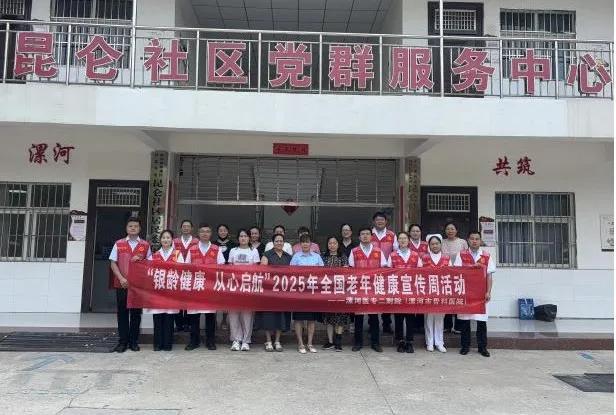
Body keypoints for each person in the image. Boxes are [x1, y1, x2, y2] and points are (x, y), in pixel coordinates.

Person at [108, 217, 151, 353]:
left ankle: (133, 342)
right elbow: (113, 263)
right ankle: (122, 342)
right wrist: (121, 278)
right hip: (122, 284)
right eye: (130, 226)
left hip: (138, 286)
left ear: (140, 228)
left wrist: (142, 260)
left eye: (136, 226)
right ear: (126, 228)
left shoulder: (145, 245)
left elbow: (150, 265)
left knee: (136, 314)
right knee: (122, 313)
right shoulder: (119, 244)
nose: (133, 228)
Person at [184, 223, 226, 351]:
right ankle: (194, 341)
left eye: (207, 231)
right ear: (198, 233)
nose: (205, 234)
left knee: (210, 316)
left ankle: (210, 341)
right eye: (202, 231)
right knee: (194, 316)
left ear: (211, 234)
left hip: (210, 288)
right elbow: (186, 267)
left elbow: (222, 267)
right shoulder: (192, 249)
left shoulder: (216, 249)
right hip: (195, 287)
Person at [454, 230, 495, 358]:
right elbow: (457, 272)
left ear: (480, 241)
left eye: (477, 239)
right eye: (472, 238)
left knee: (481, 321)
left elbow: (489, 275)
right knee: (465, 321)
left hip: (481, 293)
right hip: (466, 292)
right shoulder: (461, 254)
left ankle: (482, 347)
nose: (474, 241)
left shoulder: (486, 256)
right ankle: (465, 346)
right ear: (468, 240)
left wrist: (488, 291)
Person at [349, 227, 388, 352]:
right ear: (359, 237)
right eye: (362, 234)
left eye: (367, 234)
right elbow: (350, 269)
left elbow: (384, 269)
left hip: (374, 288)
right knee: (359, 318)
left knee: (374, 317)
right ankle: (358, 342)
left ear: (371, 236)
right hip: (359, 288)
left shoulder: (378, 251)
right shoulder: (354, 251)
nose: (365, 236)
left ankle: (375, 343)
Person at [255, 233, 293, 352]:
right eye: (277, 241)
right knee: (268, 316)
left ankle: (277, 341)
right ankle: (268, 341)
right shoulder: (267, 255)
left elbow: (293, 273)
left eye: (281, 241)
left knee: (281, 316)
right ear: (273, 243)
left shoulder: (288, 256)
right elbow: (262, 271)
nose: (279, 243)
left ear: (284, 243)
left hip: (283, 292)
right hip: (269, 292)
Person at [146, 229, 181, 351]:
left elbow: (182, 271)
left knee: (169, 318)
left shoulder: (177, 254)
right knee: (158, 317)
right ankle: (157, 344)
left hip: (171, 291)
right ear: (160, 240)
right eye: (163, 238)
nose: (166, 240)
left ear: (172, 240)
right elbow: (149, 272)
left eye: (168, 237)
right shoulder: (154, 255)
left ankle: (167, 344)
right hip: (158, 292)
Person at [227, 229, 261, 351]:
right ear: (238, 238)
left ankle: (246, 340)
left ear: (249, 238)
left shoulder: (254, 251)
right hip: (234, 286)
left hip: (248, 286)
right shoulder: (233, 251)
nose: (243, 238)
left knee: (247, 315)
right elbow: (229, 269)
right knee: (234, 314)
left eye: (245, 236)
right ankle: (236, 340)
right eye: (241, 236)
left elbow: (256, 270)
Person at [290, 233, 324, 354]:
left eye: (307, 242)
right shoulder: (296, 257)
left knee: (311, 319)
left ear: (311, 244)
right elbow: (291, 273)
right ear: (300, 244)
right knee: (298, 319)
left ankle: (310, 343)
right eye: (303, 242)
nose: (305, 244)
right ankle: (300, 343)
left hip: (312, 292)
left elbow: (323, 273)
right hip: (299, 292)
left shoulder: (317, 257)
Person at [390, 231, 423, 354]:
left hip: (411, 290)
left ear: (409, 241)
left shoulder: (415, 255)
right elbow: (388, 271)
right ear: (397, 241)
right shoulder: (393, 255)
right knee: (398, 317)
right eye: (400, 238)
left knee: (410, 318)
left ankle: (409, 342)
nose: (403, 240)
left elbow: (420, 271)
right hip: (397, 290)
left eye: (405, 238)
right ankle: (400, 341)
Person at [421, 234, 451, 353]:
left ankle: (439, 343)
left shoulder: (446, 258)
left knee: (439, 317)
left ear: (440, 244)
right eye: (432, 244)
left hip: (442, 290)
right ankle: (429, 342)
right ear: (429, 245)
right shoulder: (424, 258)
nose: (435, 246)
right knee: (429, 317)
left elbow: (452, 273)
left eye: (437, 243)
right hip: (428, 291)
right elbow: (418, 273)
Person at [321, 236, 351, 352]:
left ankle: (338, 341)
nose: (332, 245)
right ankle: (330, 341)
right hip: (327, 291)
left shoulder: (343, 257)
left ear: (338, 245)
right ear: (327, 245)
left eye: (334, 243)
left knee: (340, 317)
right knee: (328, 317)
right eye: (330, 243)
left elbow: (346, 273)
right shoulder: (323, 257)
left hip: (340, 291)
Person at [371, 211, 398, 334]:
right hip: (372, 271)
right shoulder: (369, 234)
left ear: (386, 222)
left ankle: (387, 324)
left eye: (382, 219)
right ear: (374, 222)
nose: (380, 222)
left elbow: (396, 251)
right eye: (377, 220)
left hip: (388, 271)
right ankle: (372, 324)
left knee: (387, 298)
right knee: (372, 297)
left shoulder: (392, 235)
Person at [441, 222, 468, 333]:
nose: (450, 231)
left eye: (452, 229)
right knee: (447, 299)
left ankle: (458, 326)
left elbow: (467, 257)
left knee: (458, 299)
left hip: (459, 275)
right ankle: (447, 325)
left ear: (456, 230)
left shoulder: (462, 242)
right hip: (445, 275)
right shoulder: (442, 242)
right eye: (448, 229)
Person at [173, 219, 198, 332]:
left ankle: (188, 323)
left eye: (188, 226)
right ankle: (179, 324)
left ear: (192, 228)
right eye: (184, 226)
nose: (186, 228)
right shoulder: (175, 241)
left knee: (189, 299)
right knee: (177, 299)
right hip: (178, 273)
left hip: (191, 274)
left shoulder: (196, 241)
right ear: (181, 228)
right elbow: (173, 256)